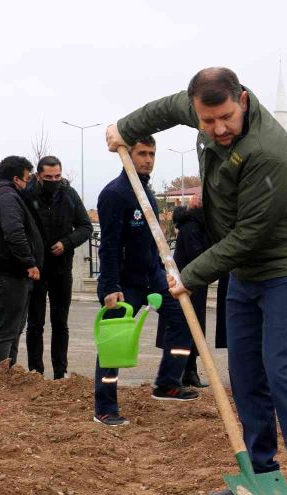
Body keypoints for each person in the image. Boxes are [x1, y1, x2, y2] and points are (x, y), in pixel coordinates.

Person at [105, 67, 287, 495]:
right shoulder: (202, 112)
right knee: (245, 376)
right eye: (208, 121)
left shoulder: (271, 153)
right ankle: (261, 474)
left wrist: (190, 274)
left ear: (242, 100)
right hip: (244, 272)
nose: (219, 129)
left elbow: (249, 234)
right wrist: (123, 129)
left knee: (281, 370)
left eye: (226, 117)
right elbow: (166, 108)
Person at [93, 136, 197, 427]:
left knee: (183, 316)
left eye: (151, 154)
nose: (148, 159)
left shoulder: (147, 192)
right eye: (142, 153)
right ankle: (105, 407)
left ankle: (168, 382)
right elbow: (109, 245)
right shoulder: (115, 194)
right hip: (124, 282)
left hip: (152, 276)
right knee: (115, 342)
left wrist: (162, 269)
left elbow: (151, 239)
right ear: (128, 154)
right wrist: (111, 286)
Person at [25, 156, 93, 379]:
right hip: (36, 269)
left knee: (60, 322)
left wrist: (67, 242)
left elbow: (85, 227)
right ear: (39, 176)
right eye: (48, 177)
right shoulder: (28, 195)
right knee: (35, 323)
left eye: (57, 176)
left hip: (61, 269)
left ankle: (60, 373)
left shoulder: (69, 195)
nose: (54, 180)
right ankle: (35, 371)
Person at [155, 202, 228, 388]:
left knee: (192, 329)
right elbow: (198, 256)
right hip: (186, 286)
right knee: (187, 328)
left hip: (191, 285)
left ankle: (189, 372)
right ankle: (184, 373)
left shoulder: (193, 227)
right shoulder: (192, 228)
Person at [0, 156, 43, 368]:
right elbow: (14, 232)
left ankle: (7, 383)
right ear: (16, 179)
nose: (28, 184)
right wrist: (29, 262)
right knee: (5, 333)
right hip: (6, 275)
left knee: (14, 332)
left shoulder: (7, 194)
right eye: (26, 179)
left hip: (13, 275)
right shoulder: (7, 196)